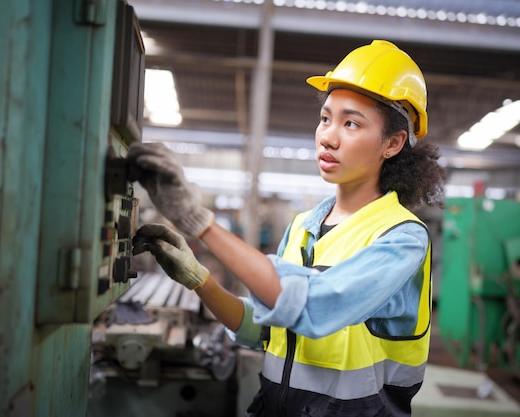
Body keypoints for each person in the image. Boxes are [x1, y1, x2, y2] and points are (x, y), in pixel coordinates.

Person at [128, 39, 446, 416]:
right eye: (326, 118)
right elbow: (262, 330)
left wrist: (200, 224)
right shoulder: (302, 227)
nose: (328, 136)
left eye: (351, 123)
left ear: (392, 143)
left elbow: (314, 306)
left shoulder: (402, 237)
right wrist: (200, 279)